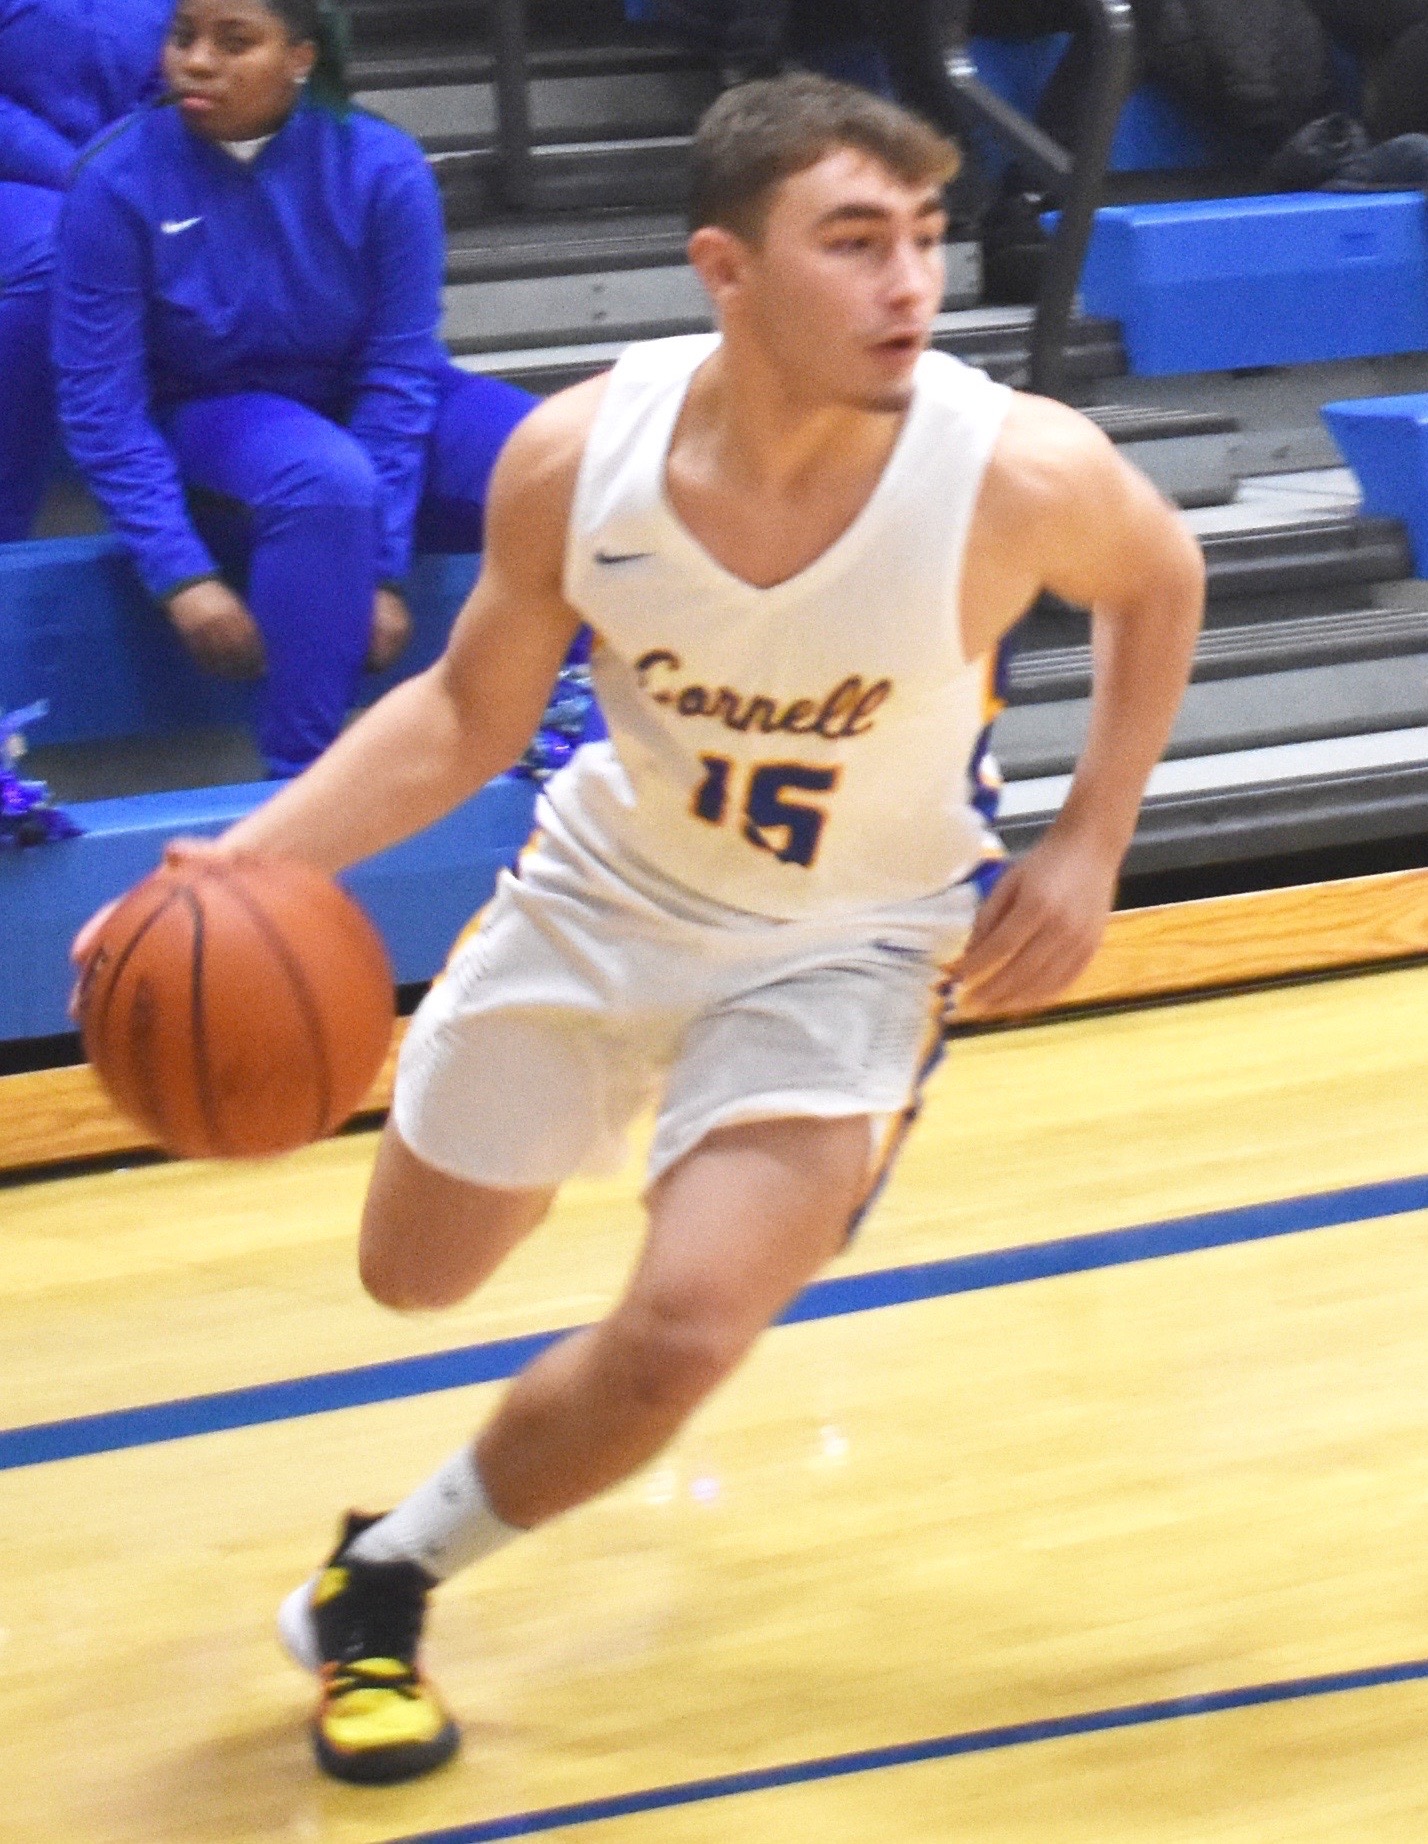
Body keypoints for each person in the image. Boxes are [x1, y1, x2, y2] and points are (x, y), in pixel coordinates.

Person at [79, 73, 1204, 1785]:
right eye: (850, 241)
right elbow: (462, 716)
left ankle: (384, 1573)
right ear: (722, 270)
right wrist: (218, 871)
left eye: (916, 237)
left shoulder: (1013, 470)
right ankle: (628, 1118)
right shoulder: (572, 454)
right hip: (603, 892)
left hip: (851, 941)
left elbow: (1160, 575)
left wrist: (1086, 838)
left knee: (682, 1323)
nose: (907, 280)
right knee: (414, 1271)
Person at [51, 0, 536, 778]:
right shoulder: (113, 183)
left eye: (234, 42)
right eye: (183, 38)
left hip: (360, 402)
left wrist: (380, 569)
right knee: (322, 477)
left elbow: (399, 372)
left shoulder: (385, 166)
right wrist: (180, 574)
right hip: (215, 416)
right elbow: (100, 406)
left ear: (301, 58)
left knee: (564, 459)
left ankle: (579, 746)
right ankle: (296, 788)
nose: (197, 62)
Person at [0, 0, 171, 539]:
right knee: (62, 250)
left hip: (116, 181)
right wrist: (89, 178)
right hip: (27, 182)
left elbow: (170, 84)